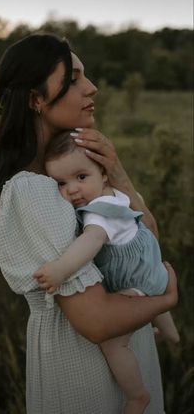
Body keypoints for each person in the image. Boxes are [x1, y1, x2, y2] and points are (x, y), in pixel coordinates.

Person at [0, 33, 178, 414]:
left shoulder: (78, 171)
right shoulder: (33, 191)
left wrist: (116, 173)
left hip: (126, 352)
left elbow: (144, 244)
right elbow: (98, 321)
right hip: (84, 372)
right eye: (73, 79)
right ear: (37, 99)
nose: (93, 87)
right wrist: (166, 300)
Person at [34, 131, 180, 414]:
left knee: (113, 344)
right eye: (61, 183)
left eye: (81, 177)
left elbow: (90, 242)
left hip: (136, 279)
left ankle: (137, 396)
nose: (72, 190)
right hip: (152, 270)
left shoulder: (97, 215)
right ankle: (171, 333)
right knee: (157, 292)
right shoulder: (117, 196)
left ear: (103, 174)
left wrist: (60, 270)